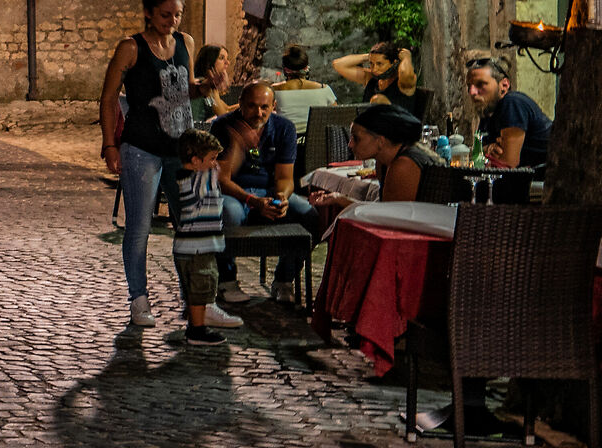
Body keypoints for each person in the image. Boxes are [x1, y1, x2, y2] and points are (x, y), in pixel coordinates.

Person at [99, 0, 195, 329]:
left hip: (180, 149)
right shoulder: (131, 48)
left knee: (188, 224)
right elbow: (109, 98)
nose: (172, 21)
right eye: (165, 15)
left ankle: (193, 299)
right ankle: (138, 299)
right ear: (149, 14)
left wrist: (208, 87)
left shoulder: (186, 43)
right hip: (141, 148)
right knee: (139, 228)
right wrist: (110, 144)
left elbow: (187, 90)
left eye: (178, 15)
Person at [211, 81, 316, 305]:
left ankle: (284, 279)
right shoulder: (224, 126)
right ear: (240, 104)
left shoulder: (284, 128)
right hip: (234, 192)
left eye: (264, 107)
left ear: (273, 106)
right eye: (252, 106)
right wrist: (252, 200)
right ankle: (227, 280)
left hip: (267, 191)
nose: (258, 112)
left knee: (309, 215)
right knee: (228, 213)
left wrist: (282, 198)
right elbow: (221, 180)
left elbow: (286, 178)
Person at [306, 102, 438, 220]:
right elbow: (382, 211)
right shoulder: (384, 163)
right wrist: (338, 198)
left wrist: (342, 201)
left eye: (356, 138)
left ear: (380, 141)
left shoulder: (404, 165)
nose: (350, 144)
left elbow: (389, 219)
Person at [171, 128, 231, 347]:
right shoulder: (195, 181)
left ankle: (195, 325)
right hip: (196, 249)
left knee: (198, 287)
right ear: (196, 161)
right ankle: (197, 330)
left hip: (195, 247)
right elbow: (219, 173)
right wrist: (239, 147)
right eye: (212, 159)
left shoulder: (195, 179)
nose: (216, 164)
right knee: (200, 287)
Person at [466, 54, 551, 169]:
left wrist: (485, 153)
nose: (472, 92)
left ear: (504, 85)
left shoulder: (512, 103)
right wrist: (487, 149)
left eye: (480, 84)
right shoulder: (487, 112)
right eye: (469, 86)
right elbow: (476, 156)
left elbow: (507, 165)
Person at [334, 40, 418, 107]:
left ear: (393, 63)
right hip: (368, 126)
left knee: (378, 100)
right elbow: (338, 65)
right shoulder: (371, 77)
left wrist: (406, 57)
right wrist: (370, 56)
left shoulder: (403, 81)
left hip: (395, 125)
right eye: (371, 64)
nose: (374, 69)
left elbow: (404, 72)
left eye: (379, 64)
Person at [270, 45, 338, 123]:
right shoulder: (324, 90)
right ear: (306, 68)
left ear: (286, 69)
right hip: (316, 134)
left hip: (287, 134)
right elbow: (336, 117)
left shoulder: (273, 91)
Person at [189, 44, 237, 124]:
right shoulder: (204, 83)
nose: (227, 62)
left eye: (227, 58)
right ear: (209, 63)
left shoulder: (210, 83)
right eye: (222, 58)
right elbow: (223, 115)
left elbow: (227, 109)